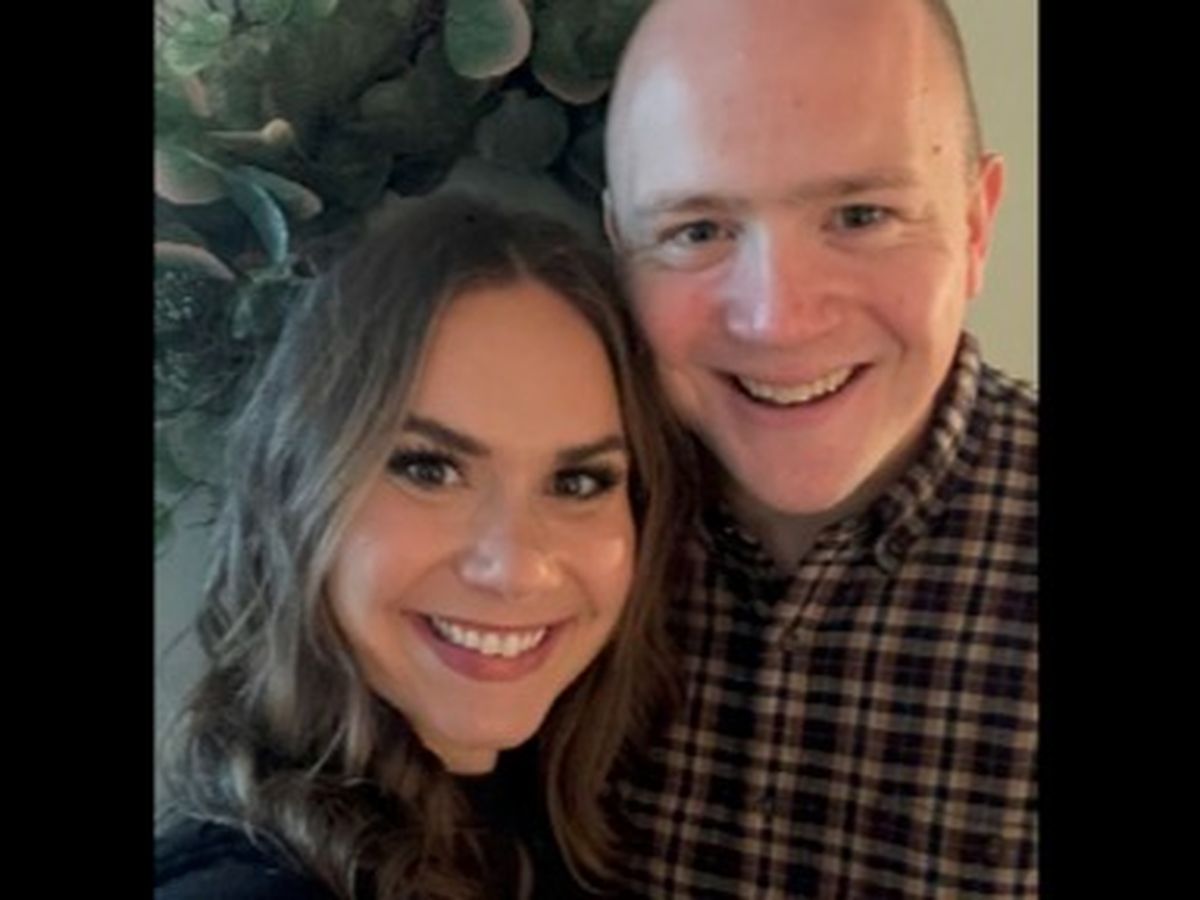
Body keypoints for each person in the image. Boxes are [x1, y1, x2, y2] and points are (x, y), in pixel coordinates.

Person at [602, 0, 1037, 896]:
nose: (778, 320)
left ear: (975, 226)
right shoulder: (541, 538)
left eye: (862, 215)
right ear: (620, 251)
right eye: (697, 232)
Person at [155, 192, 687, 900]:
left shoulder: (531, 830)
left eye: (577, 482)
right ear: (299, 493)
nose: (516, 568)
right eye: (429, 469)